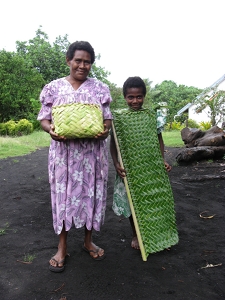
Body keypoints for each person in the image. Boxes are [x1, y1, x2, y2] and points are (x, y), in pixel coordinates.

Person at [37, 41, 112, 272]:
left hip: (92, 155)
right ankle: (62, 247)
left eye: (87, 61)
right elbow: (44, 118)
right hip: (63, 155)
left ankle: (88, 241)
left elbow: (107, 118)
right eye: (78, 60)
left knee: (91, 193)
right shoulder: (53, 88)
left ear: (91, 64)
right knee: (63, 197)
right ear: (68, 60)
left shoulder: (100, 88)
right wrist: (52, 130)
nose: (82, 65)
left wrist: (105, 130)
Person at [110, 76, 171, 250]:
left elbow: (159, 140)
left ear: (144, 96)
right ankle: (136, 234)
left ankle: (158, 236)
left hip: (150, 167)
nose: (135, 101)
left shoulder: (153, 116)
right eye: (130, 97)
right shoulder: (118, 118)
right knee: (132, 202)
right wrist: (115, 163)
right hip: (128, 169)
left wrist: (161, 161)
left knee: (154, 200)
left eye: (139, 97)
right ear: (125, 97)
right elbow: (113, 145)